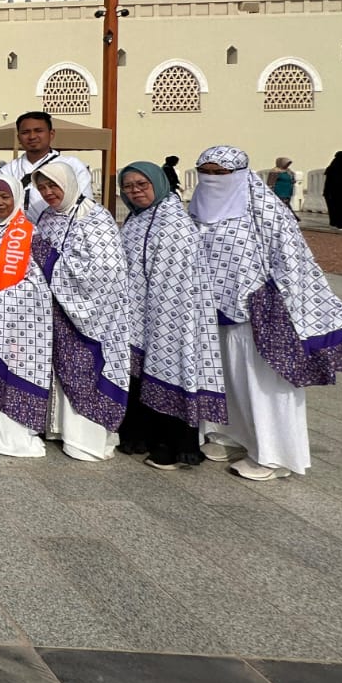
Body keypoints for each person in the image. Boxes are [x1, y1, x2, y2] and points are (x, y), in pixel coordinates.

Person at [189, 146, 342, 480]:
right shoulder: (196, 210)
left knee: (264, 383)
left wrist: (284, 306)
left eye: (220, 173)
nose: (212, 179)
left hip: (260, 314)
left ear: (239, 174)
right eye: (205, 172)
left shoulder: (266, 212)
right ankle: (231, 435)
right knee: (227, 377)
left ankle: (274, 456)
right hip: (212, 313)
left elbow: (292, 262)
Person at [116, 162, 225, 470]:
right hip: (139, 313)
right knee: (139, 376)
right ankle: (140, 435)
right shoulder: (137, 219)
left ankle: (175, 445)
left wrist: (160, 316)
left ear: (158, 184)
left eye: (142, 184)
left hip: (172, 314)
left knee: (171, 370)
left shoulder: (174, 222)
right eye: (128, 186)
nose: (135, 191)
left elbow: (176, 278)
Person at [31, 164, 131, 461]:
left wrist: (51, 262)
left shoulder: (95, 217)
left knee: (84, 370)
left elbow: (105, 270)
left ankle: (86, 440)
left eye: (53, 186)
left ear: (70, 184)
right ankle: (59, 429)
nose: (48, 193)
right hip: (54, 313)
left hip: (90, 315)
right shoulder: (46, 216)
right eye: (42, 187)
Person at [0, 175, 50, 457]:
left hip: (13, 322)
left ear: (16, 198)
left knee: (8, 374)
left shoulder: (28, 233)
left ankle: (13, 435)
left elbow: (37, 283)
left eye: (5, 197)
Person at [0, 111, 94, 218]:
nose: (32, 136)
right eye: (25, 132)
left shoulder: (72, 165)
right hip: (18, 228)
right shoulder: (7, 171)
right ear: (19, 138)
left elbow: (85, 205)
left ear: (51, 134)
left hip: (61, 227)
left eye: (38, 131)